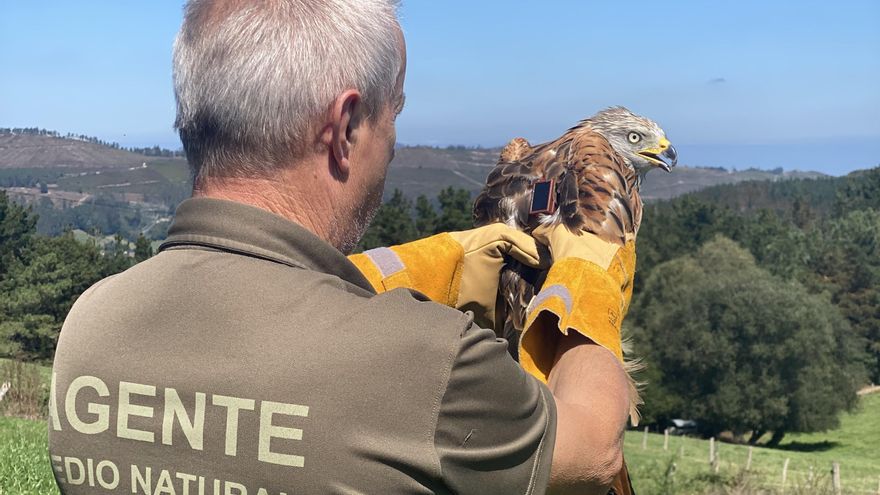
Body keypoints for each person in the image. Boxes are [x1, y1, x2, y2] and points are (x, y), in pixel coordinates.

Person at [48, 1, 632, 494]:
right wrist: (589, 267)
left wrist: (427, 263)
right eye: (393, 113)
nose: (396, 146)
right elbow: (593, 450)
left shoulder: (92, 321)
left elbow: (273, 329)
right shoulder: (432, 362)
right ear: (345, 126)